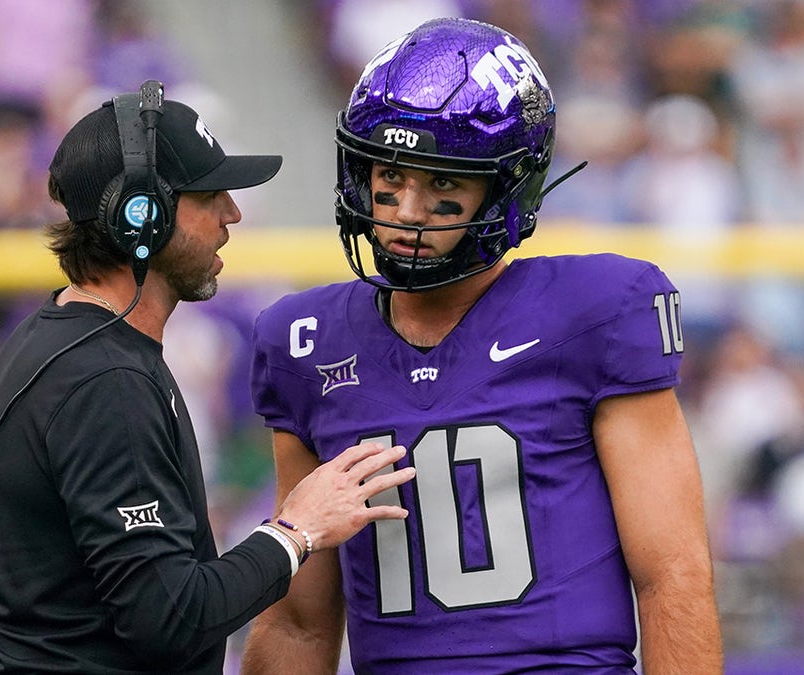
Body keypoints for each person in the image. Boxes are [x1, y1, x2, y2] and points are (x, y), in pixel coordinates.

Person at [241, 18, 723, 674]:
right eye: (390, 173)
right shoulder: (304, 341)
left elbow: (674, 575)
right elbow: (300, 621)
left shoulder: (596, 311)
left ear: (507, 187)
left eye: (443, 182)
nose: (407, 209)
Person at [0, 83, 416, 674]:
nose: (232, 214)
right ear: (141, 215)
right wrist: (296, 531)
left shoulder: (63, 345)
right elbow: (169, 617)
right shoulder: (105, 379)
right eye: (210, 195)